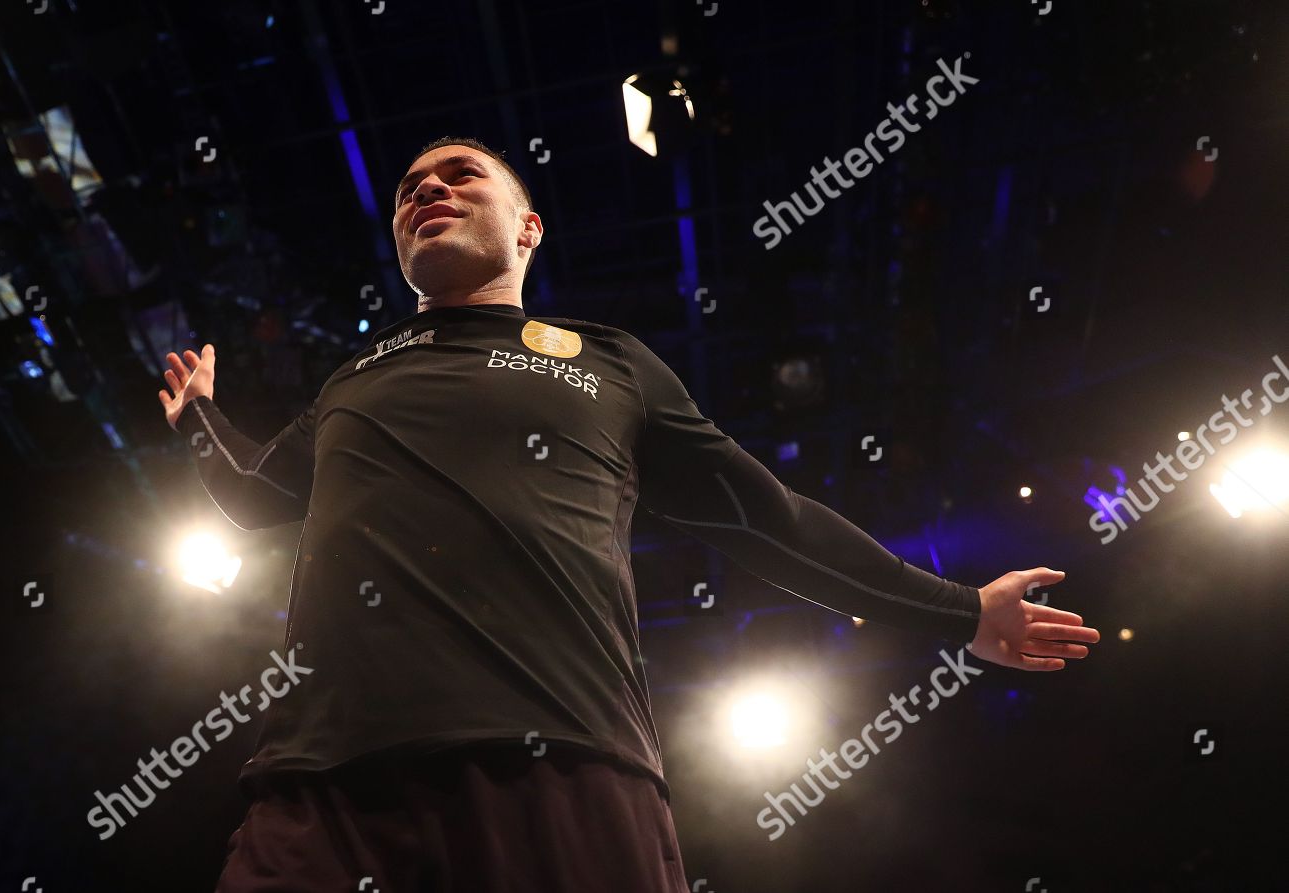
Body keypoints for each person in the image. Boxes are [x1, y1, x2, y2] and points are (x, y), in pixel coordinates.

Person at [156, 137, 1100, 893]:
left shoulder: (610, 362)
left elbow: (765, 517)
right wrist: (199, 417)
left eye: (459, 175)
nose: (426, 190)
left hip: (562, 768)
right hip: (323, 786)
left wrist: (962, 612)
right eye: (408, 187)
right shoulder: (351, 379)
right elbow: (248, 499)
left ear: (527, 229)